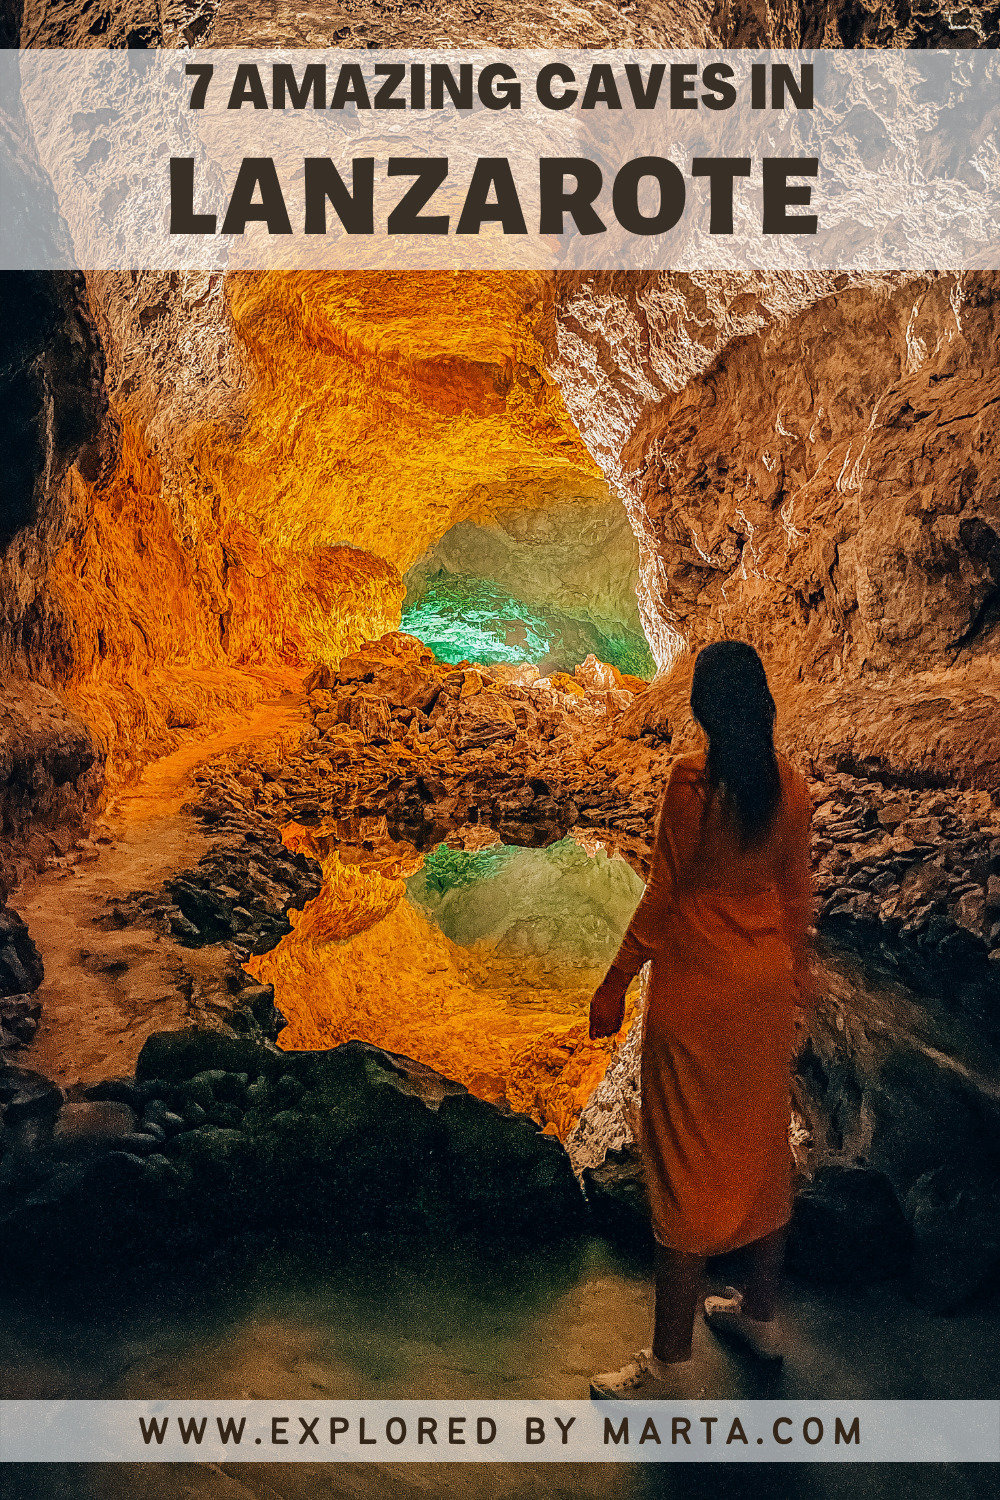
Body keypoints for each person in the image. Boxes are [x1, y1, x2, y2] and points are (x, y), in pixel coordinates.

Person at [588, 640, 813, 1399]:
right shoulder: (791, 787)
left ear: (705, 708)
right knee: (760, 1151)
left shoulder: (692, 784)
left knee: (682, 1165)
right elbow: (795, 899)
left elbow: (662, 898)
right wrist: (799, 986)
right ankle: (761, 1314)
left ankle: (670, 1364)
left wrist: (615, 980)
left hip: (699, 996)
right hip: (762, 992)